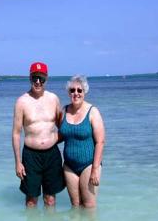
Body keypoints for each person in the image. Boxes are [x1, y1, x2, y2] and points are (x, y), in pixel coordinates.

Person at [12, 62, 65, 207]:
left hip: (52, 155)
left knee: (50, 199)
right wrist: (18, 162)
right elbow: (16, 134)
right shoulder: (21, 102)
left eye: (41, 78)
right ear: (30, 78)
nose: (37, 82)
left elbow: (63, 127)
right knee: (31, 200)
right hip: (31, 156)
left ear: (46, 79)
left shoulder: (54, 99)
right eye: (34, 77)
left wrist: (54, 140)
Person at [59, 75, 105, 208]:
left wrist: (95, 169)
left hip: (89, 165)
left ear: (84, 91)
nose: (76, 93)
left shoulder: (93, 112)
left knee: (89, 206)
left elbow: (100, 142)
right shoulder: (64, 110)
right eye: (72, 90)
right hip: (69, 166)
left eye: (79, 90)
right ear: (68, 92)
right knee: (75, 205)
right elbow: (60, 135)